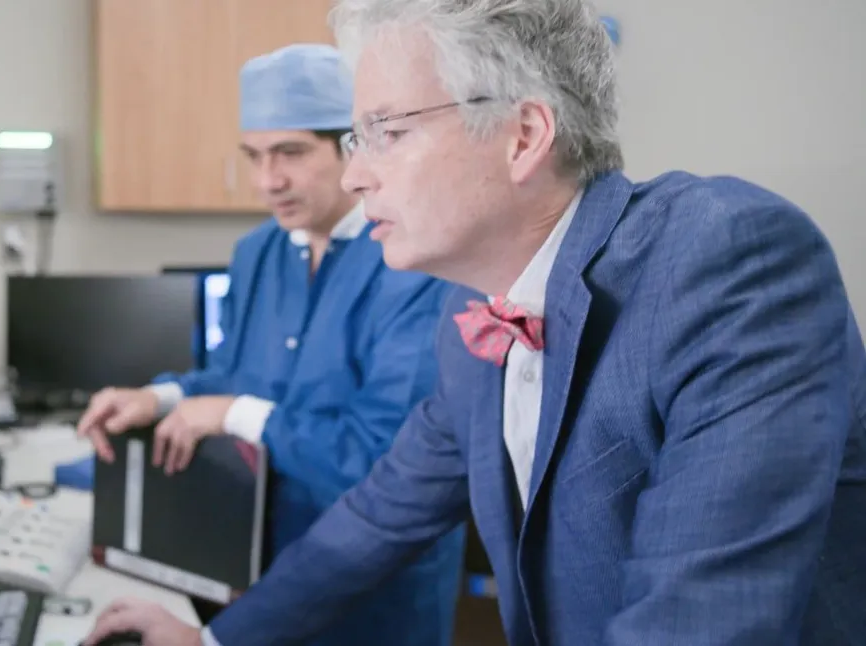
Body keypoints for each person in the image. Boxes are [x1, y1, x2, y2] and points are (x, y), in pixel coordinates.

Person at [81, 0, 866, 645]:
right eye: (355, 139)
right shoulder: (473, 310)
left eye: (385, 132)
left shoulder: (726, 261)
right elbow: (378, 516)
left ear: (522, 136)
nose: (355, 174)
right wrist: (213, 641)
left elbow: (699, 621)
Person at [77, 43, 465, 646]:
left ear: (354, 144)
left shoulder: (416, 264)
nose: (268, 181)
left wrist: (230, 413)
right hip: (258, 566)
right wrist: (159, 400)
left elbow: (380, 458)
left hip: (374, 589)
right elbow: (234, 373)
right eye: (254, 157)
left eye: (290, 153)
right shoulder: (258, 252)